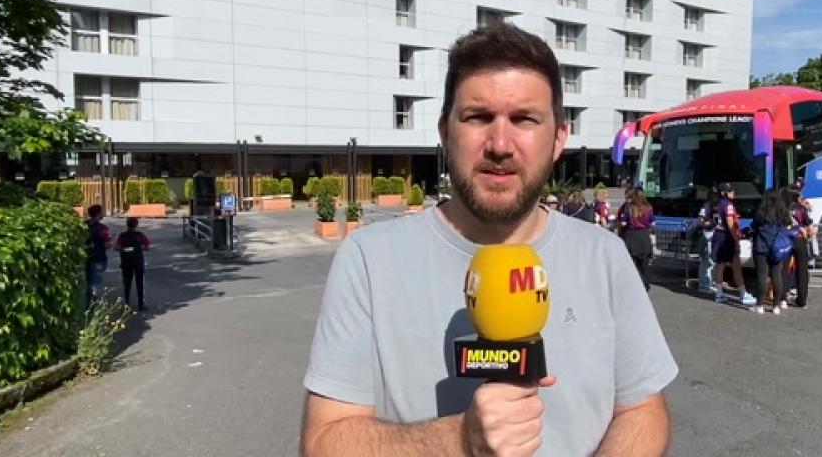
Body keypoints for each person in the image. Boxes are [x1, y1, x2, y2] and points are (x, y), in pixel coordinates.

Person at [300, 23, 676, 456]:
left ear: (558, 139)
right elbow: (324, 442)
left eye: (524, 119)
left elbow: (644, 409)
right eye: (478, 117)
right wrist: (456, 439)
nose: (500, 143)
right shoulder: (367, 260)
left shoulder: (605, 255)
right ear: (445, 133)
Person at [709, 183, 756, 306]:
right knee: (736, 265)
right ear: (724, 193)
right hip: (727, 237)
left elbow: (709, 220)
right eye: (730, 191)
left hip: (717, 235)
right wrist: (736, 239)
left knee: (720, 265)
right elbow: (730, 224)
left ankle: (719, 293)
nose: (733, 193)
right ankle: (742, 293)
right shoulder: (728, 205)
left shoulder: (714, 204)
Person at [751, 190, 795, 315]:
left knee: (762, 276)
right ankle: (776, 305)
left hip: (762, 246)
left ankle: (759, 305)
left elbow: (754, 226)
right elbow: (789, 224)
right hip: (777, 246)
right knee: (777, 276)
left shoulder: (761, 213)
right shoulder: (782, 213)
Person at [617, 187, 655, 290]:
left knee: (632, 265)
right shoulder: (649, 208)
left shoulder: (629, 208)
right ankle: (646, 285)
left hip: (631, 237)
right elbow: (653, 223)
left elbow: (624, 223)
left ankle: (634, 287)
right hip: (644, 238)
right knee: (644, 265)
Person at [115, 217, 151, 312]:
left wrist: (124, 249)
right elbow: (147, 246)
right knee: (140, 283)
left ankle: (126, 304)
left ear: (127, 224)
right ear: (136, 225)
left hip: (126, 262)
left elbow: (116, 247)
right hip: (138, 262)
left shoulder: (122, 236)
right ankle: (141, 304)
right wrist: (140, 247)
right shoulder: (140, 235)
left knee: (127, 284)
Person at [786, 186, 813, 309]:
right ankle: (802, 300)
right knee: (802, 271)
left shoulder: (783, 208)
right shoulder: (801, 209)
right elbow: (810, 228)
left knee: (783, 269)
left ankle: (781, 298)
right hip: (800, 239)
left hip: (786, 240)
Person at [84, 204, 112, 309]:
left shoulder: (84, 225)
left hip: (87, 258)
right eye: (102, 211)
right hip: (98, 258)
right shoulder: (102, 228)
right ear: (99, 213)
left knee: (88, 284)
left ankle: (87, 306)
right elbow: (107, 245)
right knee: (95, 284)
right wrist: (112, 240)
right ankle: (93, 308)